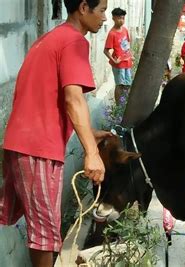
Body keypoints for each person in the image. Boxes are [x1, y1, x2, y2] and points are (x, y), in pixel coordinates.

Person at [1, 0, 111, 266]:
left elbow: (48, 100)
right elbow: (73, 99)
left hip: (26, 143)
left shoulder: (50, 39)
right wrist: (92, 153)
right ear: (83, 7)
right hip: (36, 147)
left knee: (41, 230)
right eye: (102, 10)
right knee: (45, 236)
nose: (104, 18)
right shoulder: (74, 41)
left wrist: (88, 133)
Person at [104, 7, 133, 105]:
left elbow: (128, 44)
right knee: (120, 85)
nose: (122, 20)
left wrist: (131, 55)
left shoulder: (125, 30)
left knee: (127, 84)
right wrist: (114, 60)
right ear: (113, 18)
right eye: (119, 18)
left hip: (127, 62)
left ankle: (125, 104)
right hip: (119, 64)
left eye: (123, 18)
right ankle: (118, 106)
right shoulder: (112, 33)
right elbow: (106, 50)